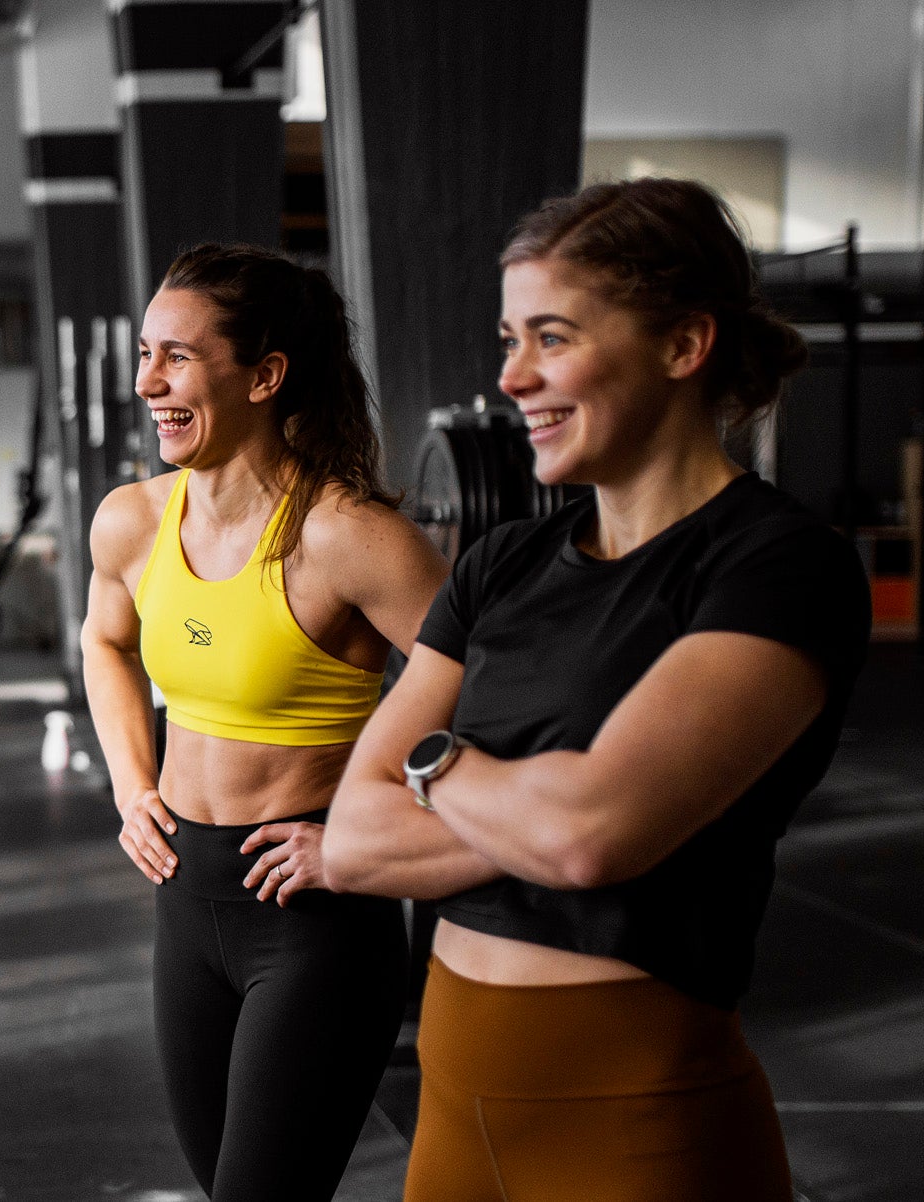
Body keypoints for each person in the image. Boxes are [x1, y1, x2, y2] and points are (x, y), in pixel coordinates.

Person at [325, 178, 873, 1201]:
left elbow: (590, 833)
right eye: (509, 339)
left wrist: (435, 764)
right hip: (452, 1118)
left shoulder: (778, 566)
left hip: (638, 1124)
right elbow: (354, 841)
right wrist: (537, 800)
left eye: (552, 337)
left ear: (684, 344)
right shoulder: (501, 565)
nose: (512, 376)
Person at [80, 243, 451, 1202]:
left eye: (177, 357)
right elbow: (105, 642)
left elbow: (501, 695)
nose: (147, 383)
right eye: (146, 354)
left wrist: (374, 833)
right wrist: (131, 786)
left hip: (313, 918)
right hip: (184, 901)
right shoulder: (132, 522)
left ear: (265, 374)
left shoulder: (348, 537)